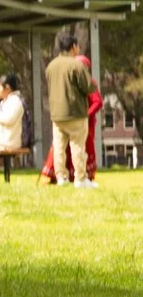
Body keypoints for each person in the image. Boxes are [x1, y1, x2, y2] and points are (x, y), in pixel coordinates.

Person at [45, 28, 97, 189]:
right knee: (77, 146)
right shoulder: (76, 65)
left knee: (59, 147)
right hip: (75, 113)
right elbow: (89, 88)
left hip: (56, 115)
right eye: (77, 46)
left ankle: (61, 178)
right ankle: (81, 179)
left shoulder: (51, 66)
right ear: (73, 46)